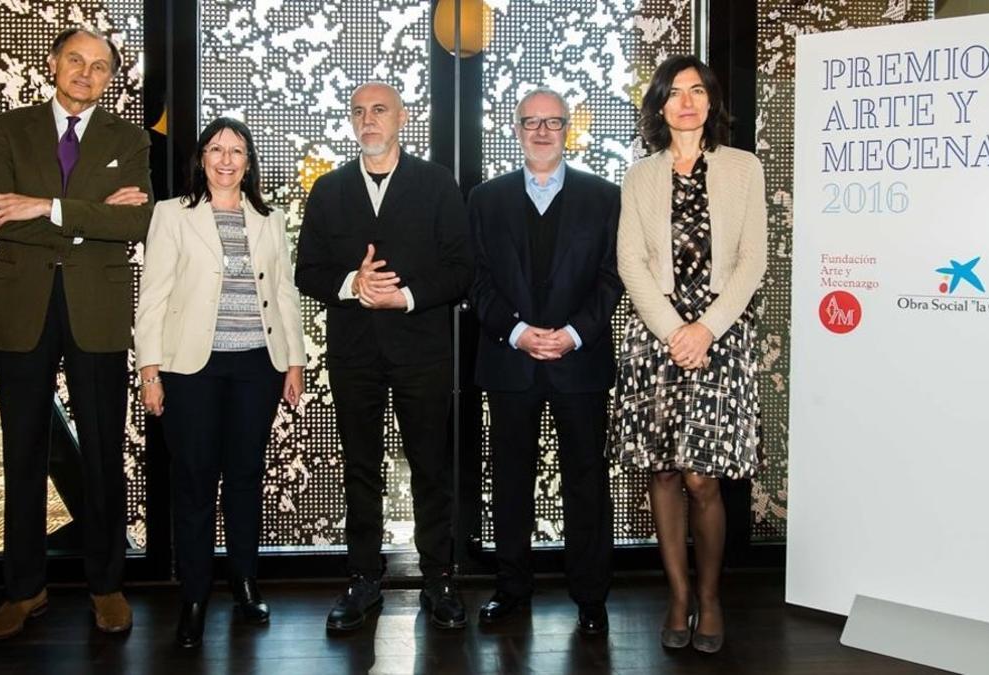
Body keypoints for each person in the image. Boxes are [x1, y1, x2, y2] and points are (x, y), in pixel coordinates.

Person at [0, 27, 152, 641]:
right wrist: (86, 219)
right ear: (53, 64)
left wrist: (43, 207)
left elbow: (135, 220)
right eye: (76, 60)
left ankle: (107, 586)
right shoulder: (9, 129)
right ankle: (24, 591)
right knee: (22, 454)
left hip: (95, 313)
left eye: (100, 67)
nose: (85, 73)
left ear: (110, 79)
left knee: (103, 451)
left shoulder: (128, 138)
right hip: (23, 311)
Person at [295, 82, 473, 632]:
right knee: (361, 469)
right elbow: (307, 272)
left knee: (430, 469)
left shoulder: (438, 184)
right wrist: (352, 283)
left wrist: (407, 295)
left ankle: (438, 580)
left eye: (379, 110)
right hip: (354, 355)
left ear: (403, 117)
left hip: (422, 351)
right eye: (358, 112)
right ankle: (363, 580)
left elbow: (462, 269)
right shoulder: (328, 189)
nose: (367, 120)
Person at [609, 55, 767, 654]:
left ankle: (709, 596)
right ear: (659, 105)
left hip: (721, 336)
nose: (687, 101)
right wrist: (678, 330)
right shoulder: (639, 176)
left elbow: (753, 261)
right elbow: (632, 262)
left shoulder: (742, 168)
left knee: (704, 478)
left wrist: (705, 330)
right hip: (657, 335)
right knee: (664, 471)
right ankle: (677, 596)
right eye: (674, 92)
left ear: (711, 101)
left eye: (698, 90)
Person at [134, 117, 306, 647]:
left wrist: (295, 361)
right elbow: (154, 294)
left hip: (257, 365)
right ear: (201, 159)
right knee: (193, 479)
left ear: (248, 162)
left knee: (246, 474)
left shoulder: (269, 218)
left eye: (237, 150)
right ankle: (194, 596)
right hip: (192, 368)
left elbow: (284, 291)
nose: (226, 159)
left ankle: (245, 581)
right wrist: (149, 368)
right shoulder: (172, 215)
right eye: (216, 149)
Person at [468, 88, 622, 634]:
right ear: (515, 129)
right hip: (511, 362)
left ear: (567, 130)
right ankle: (511, 588)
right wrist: (518, 333)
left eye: (552, 122)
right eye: (530, 122)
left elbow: (612, 276)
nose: (540, 132)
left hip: (579, 364)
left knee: (586, 481)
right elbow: (476, 281)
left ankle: (591, 597)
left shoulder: (606, 198)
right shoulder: (484, 199)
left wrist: (575, 334)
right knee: (510, 480)